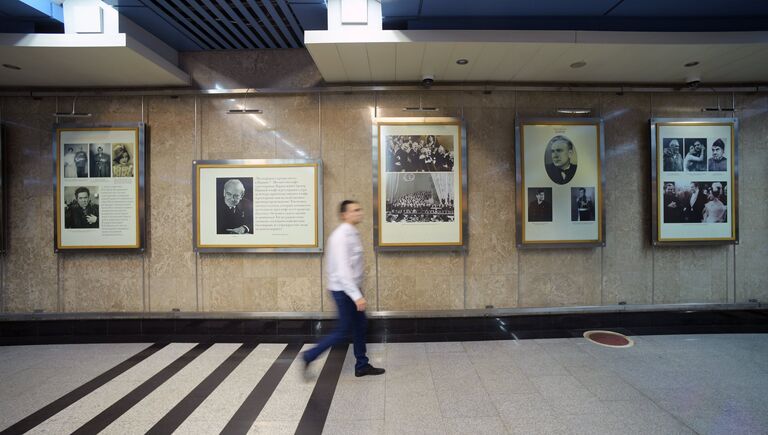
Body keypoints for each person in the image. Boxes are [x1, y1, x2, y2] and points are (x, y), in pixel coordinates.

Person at [302, 200, 384, 378]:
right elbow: (342, 271)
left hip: (351, 289)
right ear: (344, 215)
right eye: (354, 210)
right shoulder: (340, 237)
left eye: (359, 209)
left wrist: (357, 292)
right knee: (343, 330)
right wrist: (356, 296)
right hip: (344, 291)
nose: (359, 212)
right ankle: (309, 355)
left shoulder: (352, 233)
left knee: (360, 325)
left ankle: (362, 364)